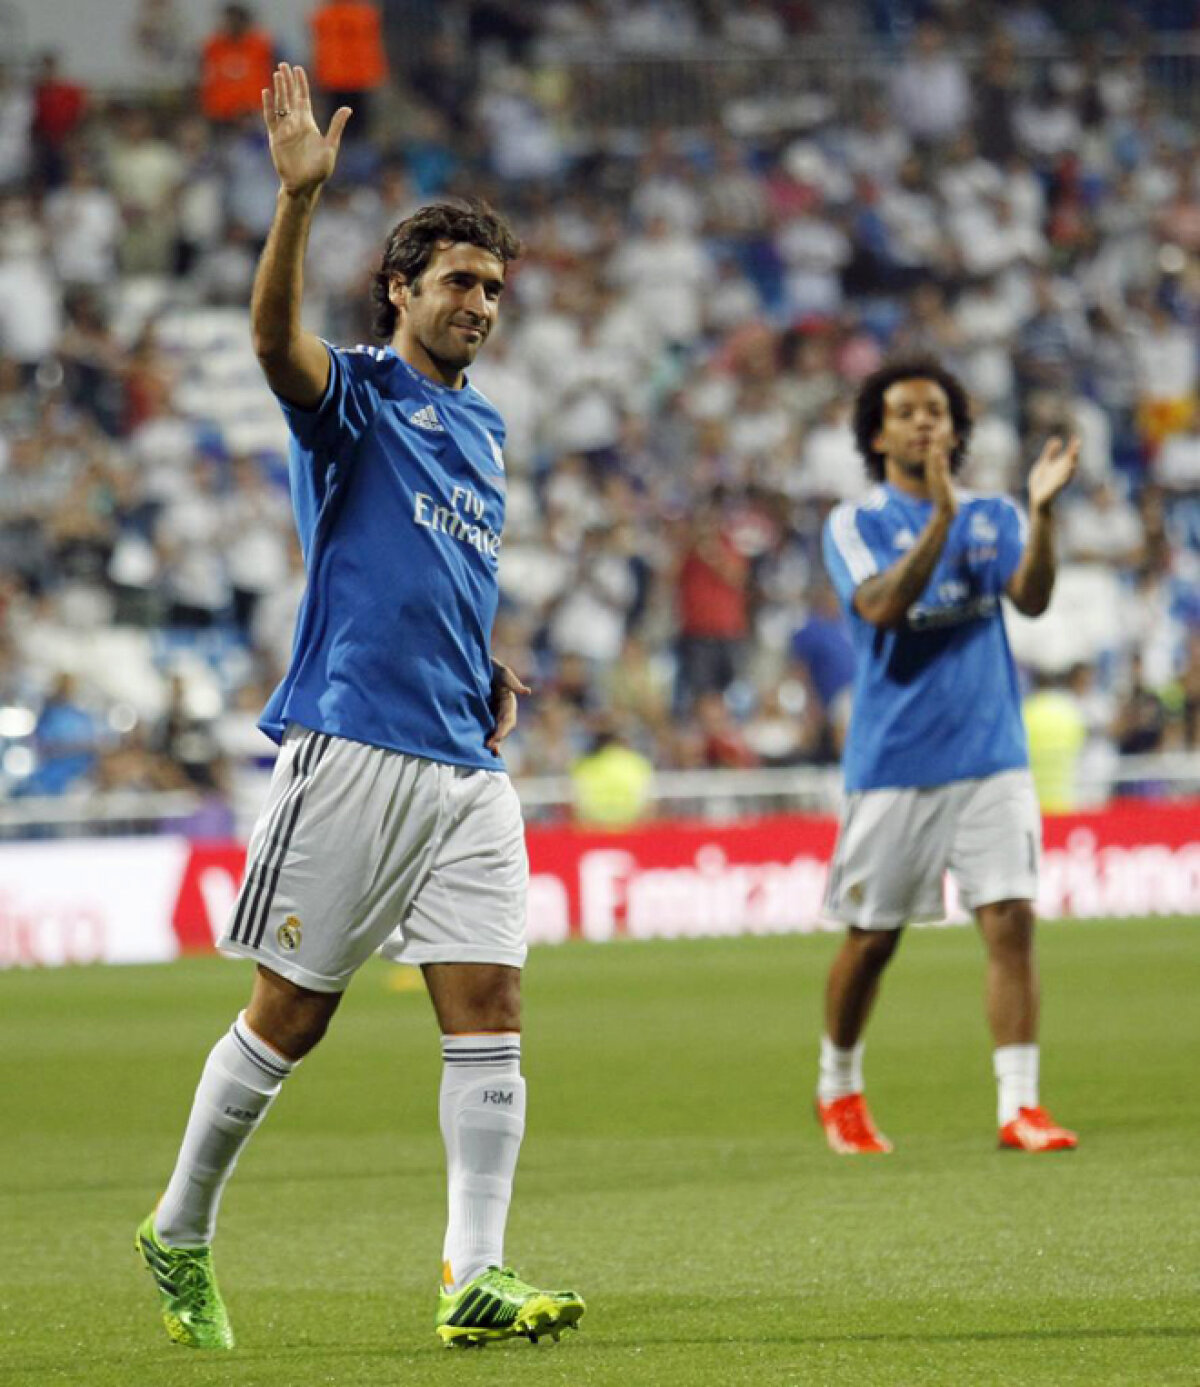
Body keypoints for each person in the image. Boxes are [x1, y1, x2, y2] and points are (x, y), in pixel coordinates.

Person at [135, 62, 584, 1353]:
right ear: (401, 288)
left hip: (462, 760)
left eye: (494, 288)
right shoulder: (355, 395)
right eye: (459, 283)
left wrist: (485, 656)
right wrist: (295, 205)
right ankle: (179, 1227)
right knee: (294, 1015)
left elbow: (437, 570)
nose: (481, 306)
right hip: (354, 747)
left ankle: (474, 1273)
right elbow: (271, 344)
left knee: (490, 1003)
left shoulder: (486, 431)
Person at [815, 357, 1080, 1156]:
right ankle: (839, 1086)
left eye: (938, 411)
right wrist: (940, 516)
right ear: (877, 432)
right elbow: (886, 608)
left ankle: (1021, 1106)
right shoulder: (852, 523)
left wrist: (1042, 515)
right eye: (907, 412)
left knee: (1011, 918)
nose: (925, 422)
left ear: (958, 429)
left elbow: (1030, 598)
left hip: (992, 755)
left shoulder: (997, 515)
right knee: (873, 938)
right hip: (895, 764)